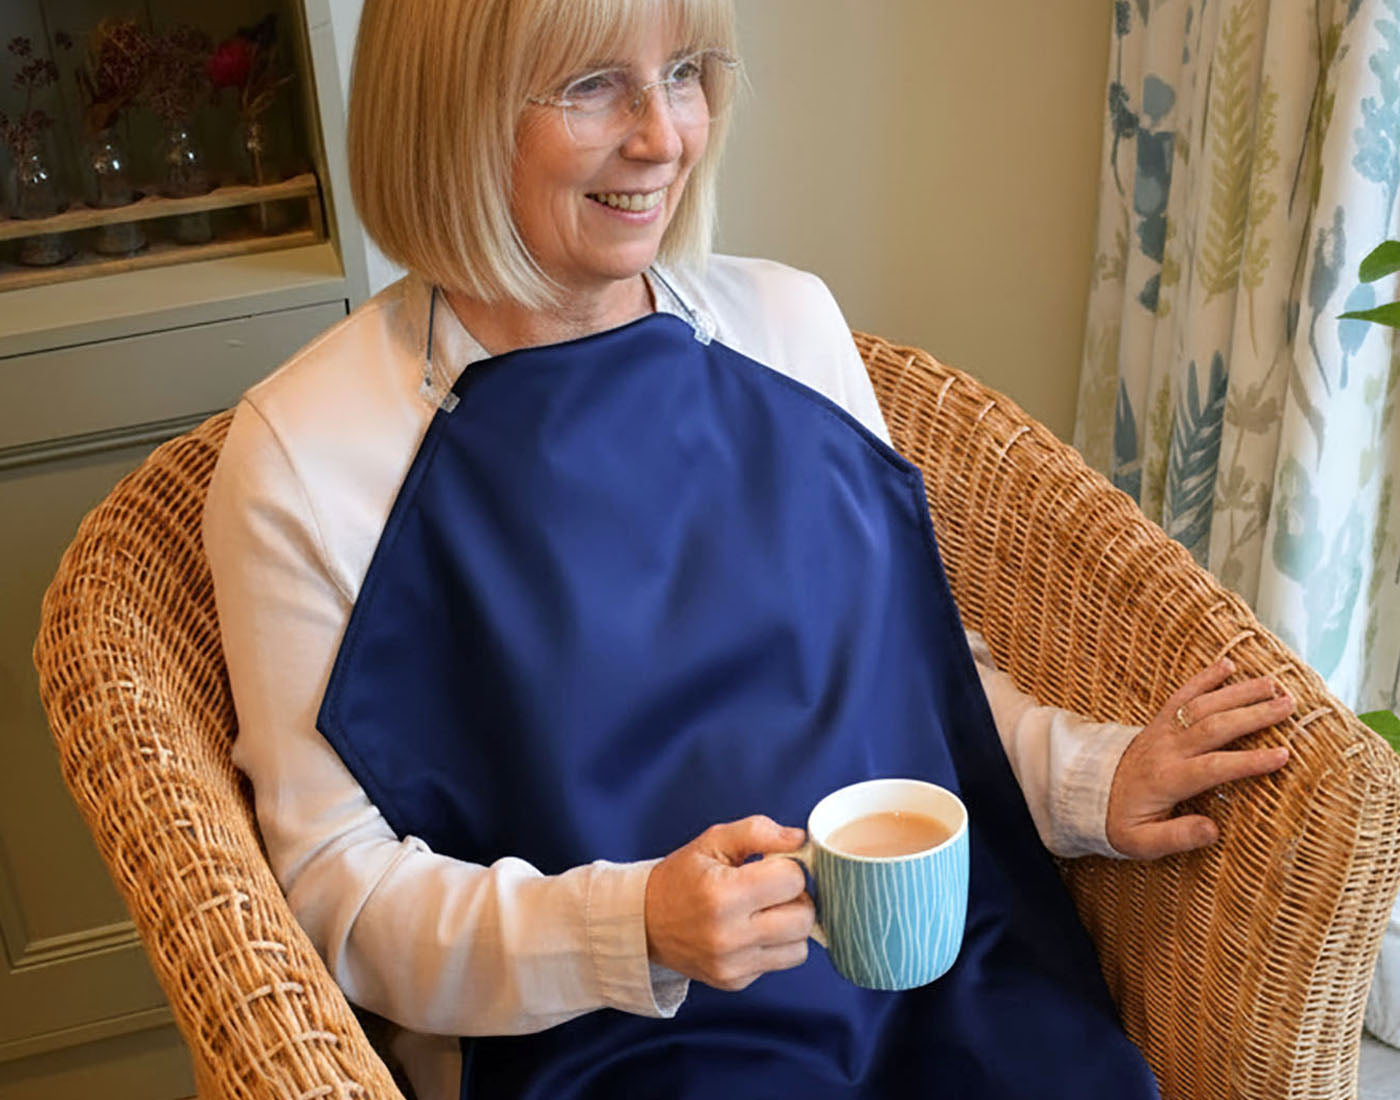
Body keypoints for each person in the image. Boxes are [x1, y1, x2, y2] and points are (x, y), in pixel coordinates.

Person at [201, 1, 1295, 1096]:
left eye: (682, 71)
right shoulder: (309, 454)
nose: (664, 135)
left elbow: (908, 676)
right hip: (610, 1036)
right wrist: (631, 926)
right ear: (446, 112)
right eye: (590, 86)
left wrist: (1085, 781)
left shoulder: (786, 325)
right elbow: (333, 892)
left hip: (931, 976)